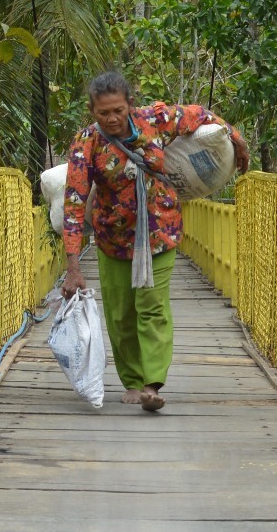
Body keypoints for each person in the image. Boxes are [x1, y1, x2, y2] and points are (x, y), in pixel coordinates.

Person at [60, 69, 249, 413]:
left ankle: (151, 383)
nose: (113, 118)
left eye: (118, 110)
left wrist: (235, 138)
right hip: (113, 239)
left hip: (159, 232)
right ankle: (131, 380)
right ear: (93, 112)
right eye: (104, 113)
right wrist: (73, 266)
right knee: (120, 314)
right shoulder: (86, 143)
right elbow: (74, 202)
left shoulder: (155, 120)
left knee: (152, 305)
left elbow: (199, 115)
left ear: (130, 104)